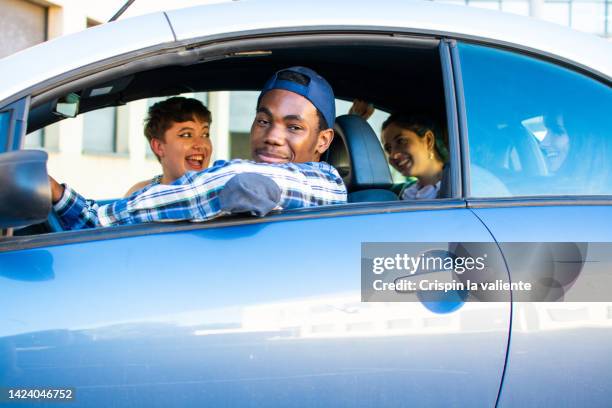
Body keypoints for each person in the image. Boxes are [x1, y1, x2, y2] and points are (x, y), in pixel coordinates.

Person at [49, 66, 347, 230]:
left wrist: (90, 215)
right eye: (263, 121)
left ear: (323, 141)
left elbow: (241, 183)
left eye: (294, 127)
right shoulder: (154, 190)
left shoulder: (325, 184)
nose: (273, 137)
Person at [125, 97, 213, 196]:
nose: (200, 144)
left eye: (205, 134)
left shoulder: (222, 191)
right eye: (186, 135)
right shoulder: (139, 195)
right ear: (159, 147)